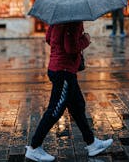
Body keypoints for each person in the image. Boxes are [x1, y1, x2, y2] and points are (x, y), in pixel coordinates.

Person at [25, 22, 113, 161]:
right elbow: (71, 47)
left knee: (78, 106)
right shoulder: (73, 21)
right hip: (64, 71)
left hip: (58, 68)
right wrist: (85, 40)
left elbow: (48, 38)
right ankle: (34, 148)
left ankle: (92, 143)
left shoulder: (57, 19)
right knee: (55, 111)